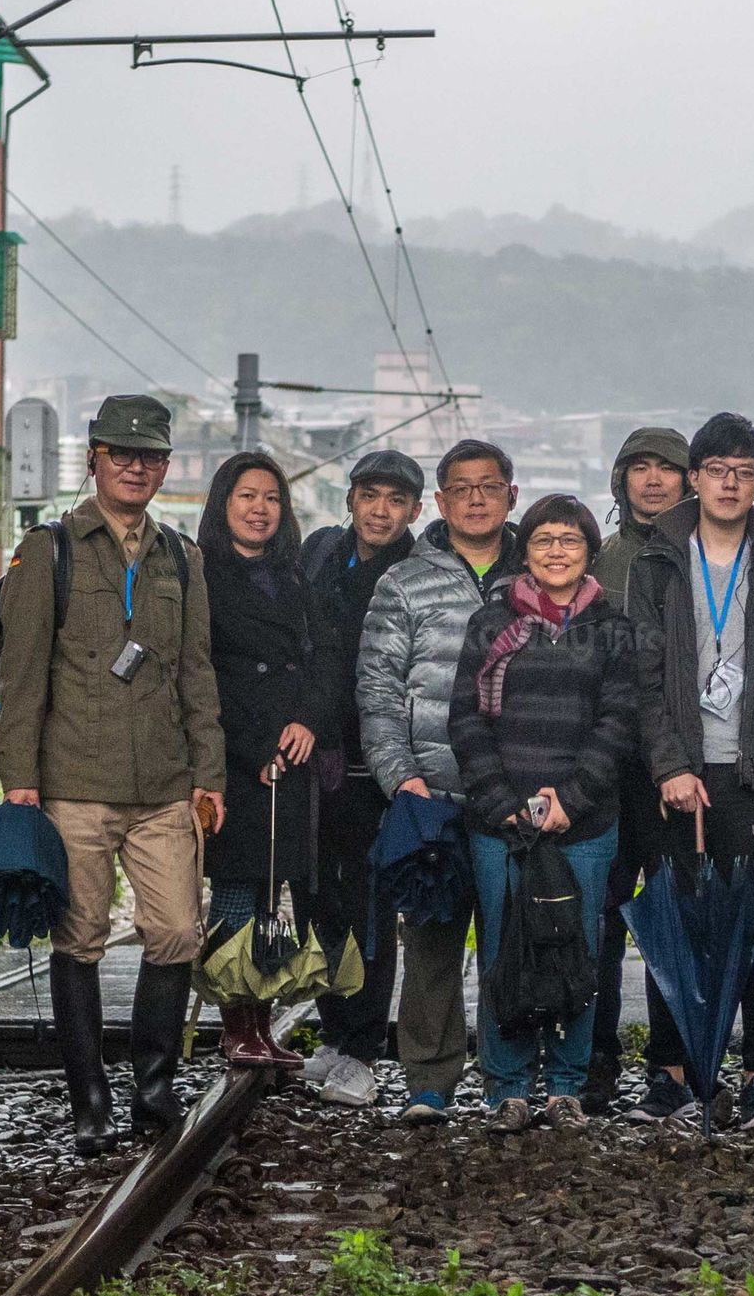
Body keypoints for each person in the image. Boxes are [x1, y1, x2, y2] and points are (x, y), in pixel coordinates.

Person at [0, 394, 226, 1155]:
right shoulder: (50, 551)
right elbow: (23, 676)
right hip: (73, 782)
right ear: (93, 458)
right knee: (81, 939)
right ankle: (90, 1097)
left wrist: (210, 774)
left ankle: (154, 1087)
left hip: (164, 783)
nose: (136, 467)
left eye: (150, 456)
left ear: (165, 467)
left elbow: (197, 675)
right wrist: (18, 782)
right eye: (121, 453)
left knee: (175, 932)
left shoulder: (184, 561)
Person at [624, 413, 754, 1131]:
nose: (729, 483)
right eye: (717, 470)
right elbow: (643, 678)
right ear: (695, 478)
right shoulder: (657, 563)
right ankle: (670, 1074)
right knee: (673, 920)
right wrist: (669, 764)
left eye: (744, 472)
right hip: (680, 776)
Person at [449, 494, 636, 1133]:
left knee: (576, 949)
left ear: (590, 551)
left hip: (583, 825)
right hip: (499, 825)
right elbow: (466, 719)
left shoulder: (611, 626)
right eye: (544, 539)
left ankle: (565, 1084)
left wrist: (571, 800)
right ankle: (506, 1085)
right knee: (503, 948)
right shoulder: (490, 621)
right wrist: (503, 805)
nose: (557, 550)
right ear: (524, 549)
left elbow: (618, 722)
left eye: (570, 540)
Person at [358, 438, 524, 1124]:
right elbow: (377, 685)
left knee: (512, 940)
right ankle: (429, 1079)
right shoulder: (403, 581)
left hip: (517, 795)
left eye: (489, 485)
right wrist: (401, 778)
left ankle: (508, 1074)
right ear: (442, 501)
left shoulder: (539, 574)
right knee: (430, 941)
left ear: (511, 494)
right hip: (435, 793)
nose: (477, 498)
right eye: (462, 487)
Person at [198, 452, 342, 1069]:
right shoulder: (200, 575)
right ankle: (236, 1027)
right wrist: (257, 747)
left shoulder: (297, 579)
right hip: (234, 759)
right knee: (235, 891)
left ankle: (261, 1023)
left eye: (272, 499)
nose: (260, 509)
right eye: (247, 497)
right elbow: (204, 675)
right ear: (223, 505)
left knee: (273, 896)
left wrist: (308, 720)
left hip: (293, 757)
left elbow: (328, 659)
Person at [298, 450, 425, 1107]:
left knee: (371, 914)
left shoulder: (420, 570)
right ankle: (333, 1029)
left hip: (381, 768)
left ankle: (364, 1049)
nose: (381, 510)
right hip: (319, 764)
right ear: (350, 499)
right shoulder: (320, 552)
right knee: (320, 904)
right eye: (370, 495)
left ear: (414, 511)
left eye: (395, 500)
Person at [584, 425, 689, 1112]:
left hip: (678, 766)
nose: (653, 480)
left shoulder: (700, 553)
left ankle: (670, 1060)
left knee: (670, 916)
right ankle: (594, 1057)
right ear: (622, 479)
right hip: (605, 765)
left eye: (667, 469)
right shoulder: (601, 558)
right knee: (601, 917)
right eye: (640, 468)